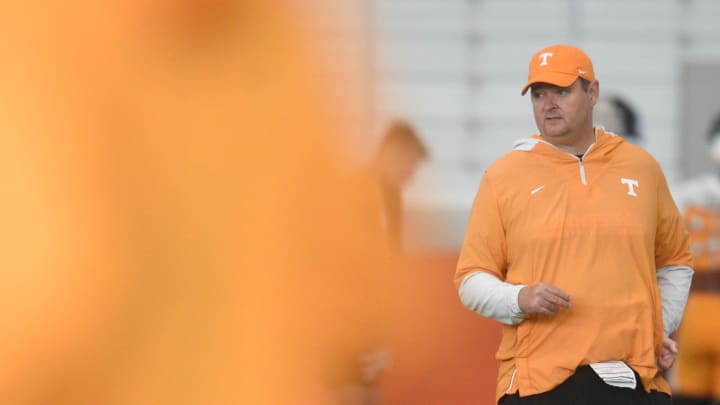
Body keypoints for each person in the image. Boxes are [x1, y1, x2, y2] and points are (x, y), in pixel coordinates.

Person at [454, 44, 694, 404]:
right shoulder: (503, 176)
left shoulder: (642, 168)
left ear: (592, 93)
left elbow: (675, 260)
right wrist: (520, 297)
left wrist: (658, 327)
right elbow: (470, 280)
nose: (548, 104)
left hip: (632, 379)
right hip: (539, 383)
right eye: (538, 94)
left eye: (562, 92)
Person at [670, 113, 720, 405]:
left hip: (692, 308)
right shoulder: (683, 195)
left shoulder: (684, 195)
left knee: (689, 397)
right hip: (693, 308)